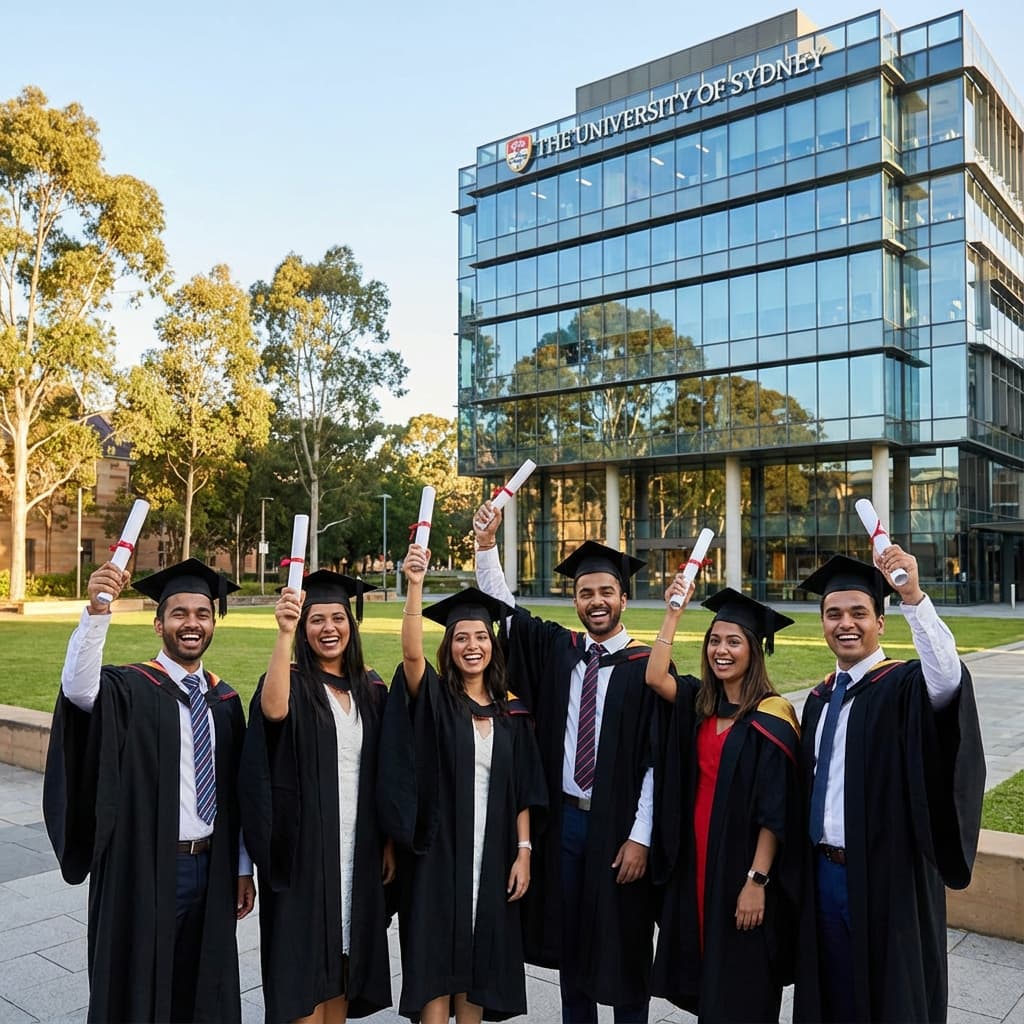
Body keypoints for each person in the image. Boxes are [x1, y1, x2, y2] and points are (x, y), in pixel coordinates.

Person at [43, 558, 254, 1024]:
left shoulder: (225, 701)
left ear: (213, 623)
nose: (191, 623)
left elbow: (238, 797)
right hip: (144, 866)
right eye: (179, 613)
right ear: (159, 623)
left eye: (202, 613)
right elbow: (79, 691)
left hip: (213, 867)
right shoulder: (130, 688)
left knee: (204, 988)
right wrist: (96, 613)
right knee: (139, 983)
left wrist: (242, 868)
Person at [473, 506, 658, 1024]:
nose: (595, 602)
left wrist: (641, 835)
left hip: (620, 825)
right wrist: (487, 545)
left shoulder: (647, 669)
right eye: (585, 593)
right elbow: (504, 611)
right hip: (566, 821)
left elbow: (655, 760)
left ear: (624, 597)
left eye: (605, 592)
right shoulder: (561, 649)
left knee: (624, 940)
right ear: (574, 599)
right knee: (571, 937)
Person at [793, 551, 986, 1023]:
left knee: (889, 998)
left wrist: (914, 597)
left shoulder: (902, 686)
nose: (846, 624)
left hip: (888, 876)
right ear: (821, 623)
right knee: (832, 993)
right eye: (834, 614)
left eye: (859, 613)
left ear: (880, 620)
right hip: (824, 873)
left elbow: (948, 679)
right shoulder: (818, 700)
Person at [377, 543, 547, 1024]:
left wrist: (525, 851)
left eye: (481, 636)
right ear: (448, 646)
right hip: (437, 852)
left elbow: (522, 789)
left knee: (480, 955)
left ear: (493, 644)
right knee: (433, 955)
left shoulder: (511, 710)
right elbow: (411, 654)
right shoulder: (434, 698)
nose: (472, 645)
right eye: (460, 638)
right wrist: (414, 585)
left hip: (493, 852)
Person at [239, 571, 394, 1023]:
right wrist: (283, 633)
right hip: (303, 850)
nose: (329, 629)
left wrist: (386, 841)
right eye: (316, 620)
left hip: (357, 849)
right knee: (303, 973)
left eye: (338, 618)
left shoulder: (371, 687)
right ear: (304, 629)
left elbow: (387, 771)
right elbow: (272, 712)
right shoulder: (290, 681)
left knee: (344, 963)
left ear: (352, 624)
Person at [646, 582, 802, 1022]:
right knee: (707, 972)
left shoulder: (773, 715)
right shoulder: (702, 703)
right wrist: (673, 613)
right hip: (697, 858)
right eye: (715, 640)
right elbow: (656, 677)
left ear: (754, 650)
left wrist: (758, 880)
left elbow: (777, 811)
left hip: (742, 862)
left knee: (744, 977)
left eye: (734, 642)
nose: (722, 651)